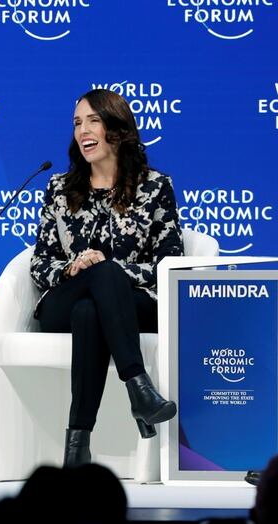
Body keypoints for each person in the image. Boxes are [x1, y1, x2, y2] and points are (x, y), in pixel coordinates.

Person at [30, 88, 183, 467]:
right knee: (87, 294)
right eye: (77, 123)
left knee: (91, 310)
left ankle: (77, 448)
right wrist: (73, 267)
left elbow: (169, 263)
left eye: (93, 121)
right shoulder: (60, 190)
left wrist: (114, 270)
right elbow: (40, 263)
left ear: (118, 129)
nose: (83, 130)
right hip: (64, 299)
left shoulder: (154, 188)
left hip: (132, 303)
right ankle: (140, 391)